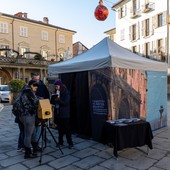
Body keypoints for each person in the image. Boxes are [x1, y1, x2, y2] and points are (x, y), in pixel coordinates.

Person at [19, 81, 39, 159]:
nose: (35, 89)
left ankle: (35, 148)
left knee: (32, 132)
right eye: (35, 87)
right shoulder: (29, 91)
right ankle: (27, 153)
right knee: (28, 135)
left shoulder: (23, 90)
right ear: (31, 86)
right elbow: (36, 102)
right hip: (28, 115)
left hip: (22, 115)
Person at [31, 73, 50, 151]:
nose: (37, 80)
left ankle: (44, 138)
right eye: (36, 79)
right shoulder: (31, 86)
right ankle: (35, 143)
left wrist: (47, 104)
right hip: (35, 110)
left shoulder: (42, 85)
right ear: (33, 79)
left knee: (43, 125)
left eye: (38, 79)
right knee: (36, 128)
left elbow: (47, 95)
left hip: (43, 107)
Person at [52, 79, 73, 149]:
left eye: (57, 86)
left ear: (60, 85)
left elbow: (65, 103)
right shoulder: (56, 91)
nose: (56, 87)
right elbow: (55, 102)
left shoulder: (66, 92)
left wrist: (58, 100)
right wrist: (53, 101)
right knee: (60, 129)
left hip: (65, 114)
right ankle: (60, 142)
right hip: (58, 114)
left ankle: (70, 143)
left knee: (67, 129)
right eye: (55, 86)